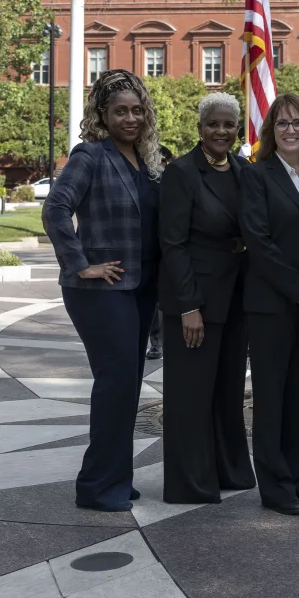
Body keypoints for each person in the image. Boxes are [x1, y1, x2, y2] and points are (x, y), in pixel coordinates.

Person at [43, 70, 161, 512]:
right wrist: (80, 265)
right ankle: (97, 486)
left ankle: (115, 476)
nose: (129, 118)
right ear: (102, 115)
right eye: (119, 112)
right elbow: (56, 208)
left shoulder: (147, 161)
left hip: (140, 288)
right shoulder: (90, 155)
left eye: (136, 110)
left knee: (127, 387)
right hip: (102, 289)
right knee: (115, 384)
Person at [157, 93, 256, 504]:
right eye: (213, 124)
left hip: (237, 297)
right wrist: (188, 306)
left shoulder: (242, 169)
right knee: (190, 394)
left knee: (228, 389)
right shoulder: (181, 172)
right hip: (195, 299)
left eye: (229, 125)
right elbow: (173, 244)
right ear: (200, 128)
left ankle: (228, 470)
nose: (221, 131)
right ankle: (190, 482)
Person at [240, 93, 299, 515]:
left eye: (298, 123)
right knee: (272, 394)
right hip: (271, 302)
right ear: (270, 131)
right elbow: (258, 241)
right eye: (282, 124)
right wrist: (297, 287)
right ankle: (274, 486)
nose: (290, 130)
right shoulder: (257, 176)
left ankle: (297, 473)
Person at [147, 145, 175, 361]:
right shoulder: (145, 179)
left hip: (167, 246)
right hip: (150, 247)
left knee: (160, 301)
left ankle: (158, 343)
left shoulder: (170, 180)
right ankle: (157, 343)